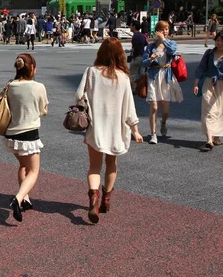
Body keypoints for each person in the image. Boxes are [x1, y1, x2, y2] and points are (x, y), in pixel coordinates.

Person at [75, 38, 143, 224]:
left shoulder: (91, 72)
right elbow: (130, 108)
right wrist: (135, 130)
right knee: (112, 164)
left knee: (94, 167)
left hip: (96, 127)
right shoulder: (122, 77)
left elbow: (79, 95)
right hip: (116, 128)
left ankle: (93, 199)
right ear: (120, 54)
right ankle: (106, 200)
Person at [2, 53, 48, 222]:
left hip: (12, 132)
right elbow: (43, 110)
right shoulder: (38, 87)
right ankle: (18, 198)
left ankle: (26, 199)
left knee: (23, 165)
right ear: (32, 68)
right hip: (29, 132)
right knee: (34, 170)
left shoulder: (11, 85)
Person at [141, 21, 183, 145]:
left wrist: (163, 40)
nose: (165, 31)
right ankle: (153, 134)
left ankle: (163, 122)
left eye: (167, 29)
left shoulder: (171, 43)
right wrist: (150, 59)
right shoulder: (150, 47)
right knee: (154, 106)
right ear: (157, 31)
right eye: (162, 29)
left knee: (166, 110)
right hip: (153, 76)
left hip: (166, 76)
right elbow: (143, 63)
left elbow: (172, 50)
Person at [194, 31, 223, 152]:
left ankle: (216, 136)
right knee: (209, 111)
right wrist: (196, 84)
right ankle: (209, 139)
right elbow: (201, 68)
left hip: (221, 86)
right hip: (209, 83)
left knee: (220, 111)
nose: (219, 42)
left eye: (221, 40)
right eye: (217, 40)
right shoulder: (209, 53)